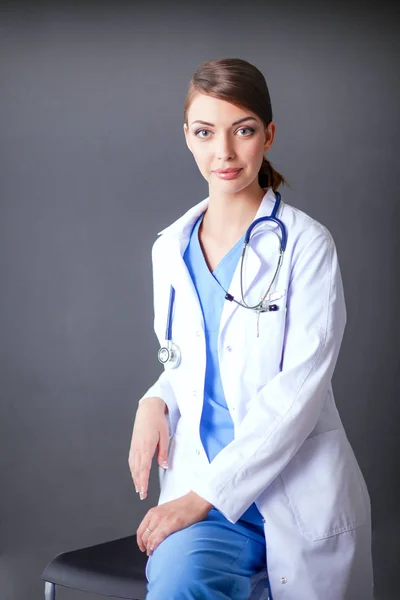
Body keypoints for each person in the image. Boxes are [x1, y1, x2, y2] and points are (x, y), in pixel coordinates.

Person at [128, 58, 374, 600]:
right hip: (207, 507)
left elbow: (299, 393)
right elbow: (186, 363)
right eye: (205, 132)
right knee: (179, 584)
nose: (224, 152)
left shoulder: (307, 246)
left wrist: (206, 495)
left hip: (290, 493)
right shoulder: (169, 250)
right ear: (187, 138)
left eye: (243, 130)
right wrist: (155, 399)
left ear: (268, 135)